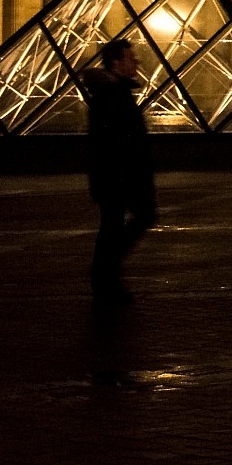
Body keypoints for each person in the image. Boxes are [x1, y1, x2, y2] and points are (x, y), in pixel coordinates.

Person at [81, 38, 156, 302]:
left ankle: (105, 276)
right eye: (130, 57)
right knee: (133, 220)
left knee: (113, 226)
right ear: (116, 62)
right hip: (118, 175)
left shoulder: (113, 92)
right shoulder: (111, 95)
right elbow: (115, 140)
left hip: (117, 174)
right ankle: (104, 276)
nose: (136, 61)